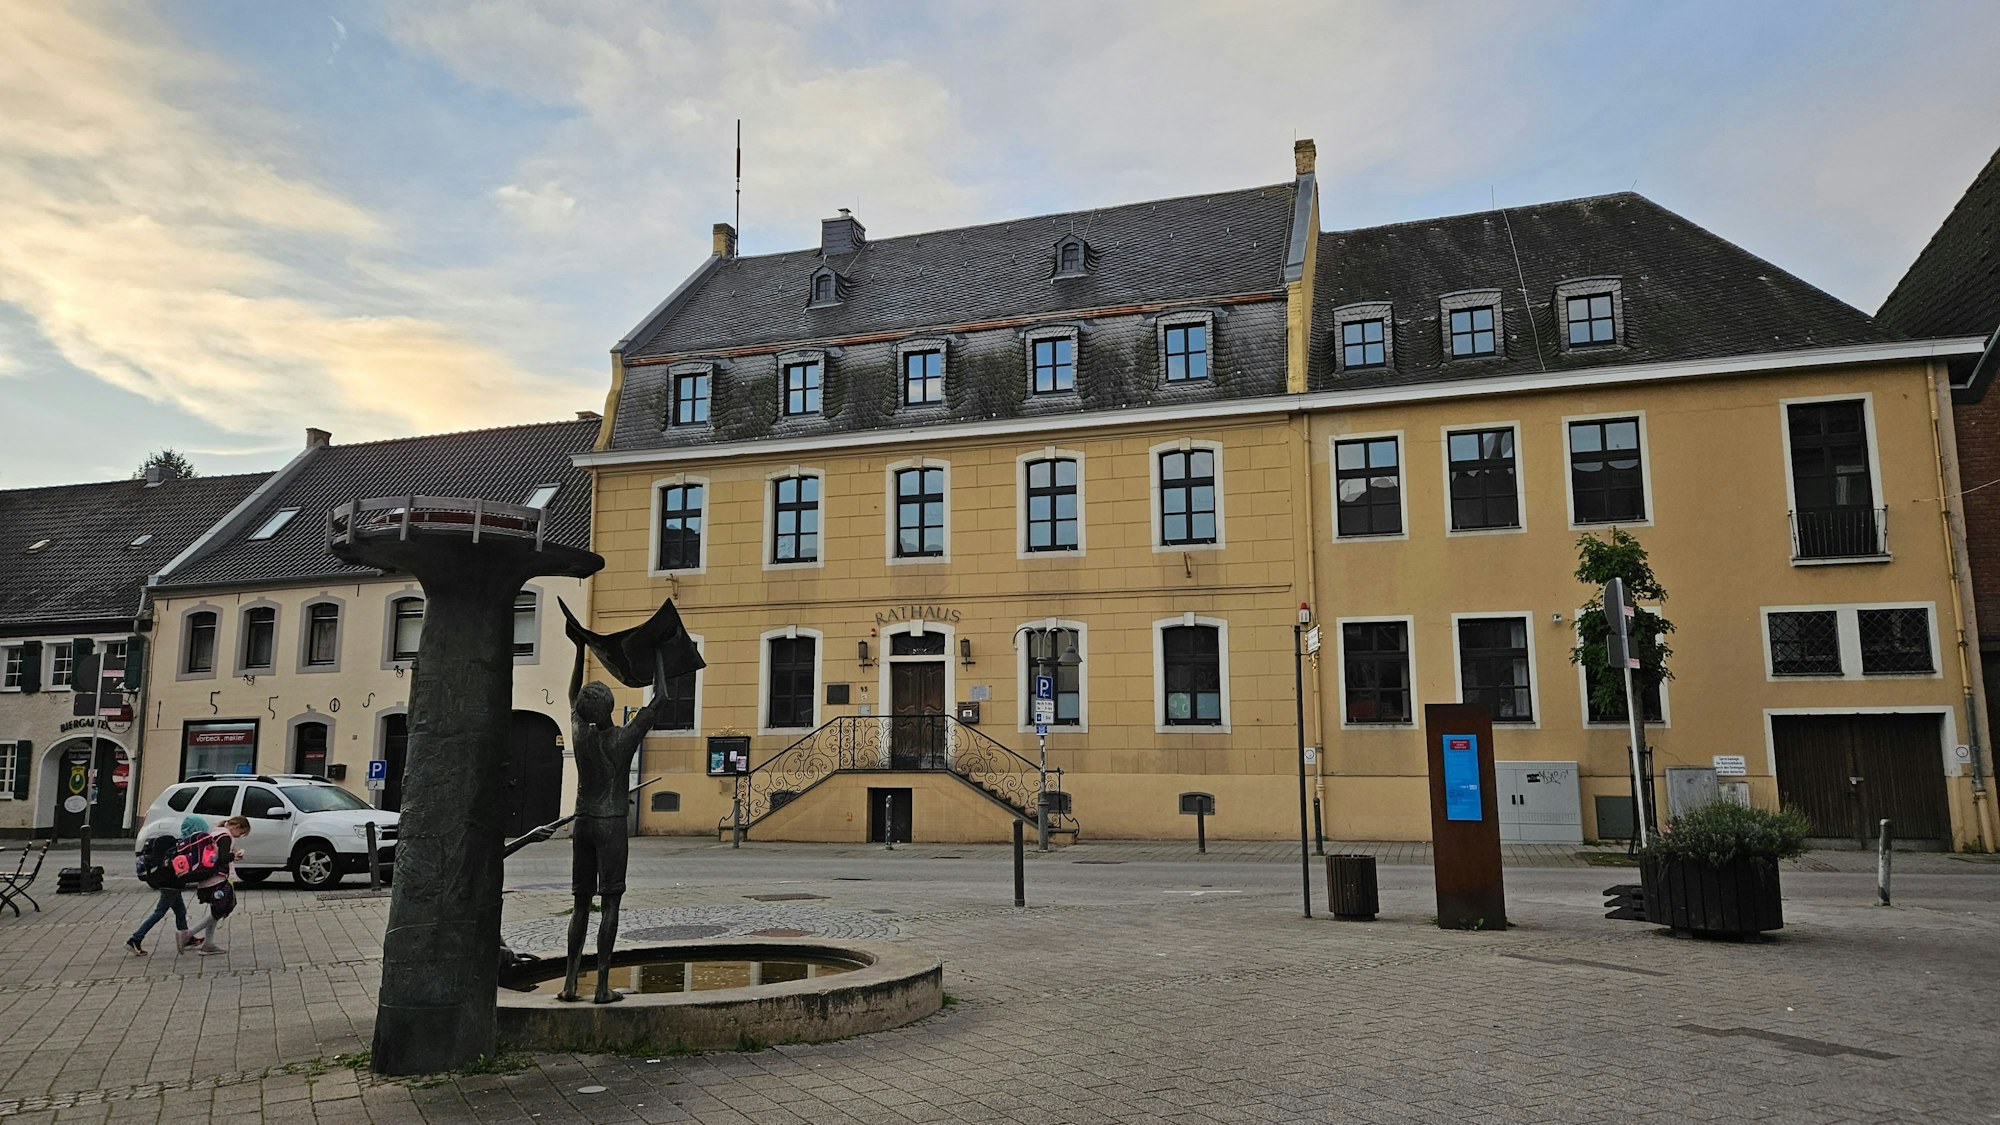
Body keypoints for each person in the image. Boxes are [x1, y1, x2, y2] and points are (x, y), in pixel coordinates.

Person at [557, 648, 668, 1004]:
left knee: (579, 903)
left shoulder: (579, 734)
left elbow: (573, 696)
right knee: (610, 904)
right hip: (612, 825)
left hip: (583, 821)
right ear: (608, 707)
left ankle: (570, 983)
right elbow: (661, 697)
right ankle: (603, 986)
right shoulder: (623, 739)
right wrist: (659, 654)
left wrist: (578, 650)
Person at [124, 814, 204, 956]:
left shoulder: (179, 842)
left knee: (180, 912)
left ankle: (187, 937)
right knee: (159, 912)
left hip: (170, 883)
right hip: (171, 883)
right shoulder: (185, 845)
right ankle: (135, 939)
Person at [184, 816, 250, 956]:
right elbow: (223, 858)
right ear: (237, 827)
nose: (239, 836)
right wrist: (234, 856)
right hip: (217, 878)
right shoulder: (226, 837)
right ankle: (188, 934)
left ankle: (208, 944)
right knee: (221, 909)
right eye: (241, 833)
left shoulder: (215, 833)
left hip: (207, 878)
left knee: (216, 909)